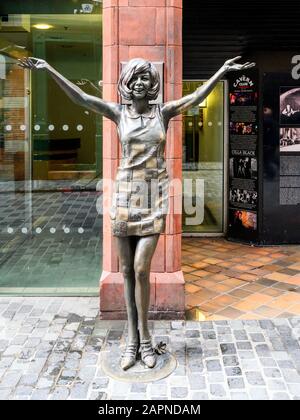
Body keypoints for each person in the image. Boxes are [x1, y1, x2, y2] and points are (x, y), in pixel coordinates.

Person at [18, 55, 255, 370]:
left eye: (145, 77)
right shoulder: (118, 114)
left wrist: (220, 71)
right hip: (125, 198)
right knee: (127, 271)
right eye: (135, 78)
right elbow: (82, 97)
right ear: (127, 84)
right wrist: (49, 69)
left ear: (151, 82)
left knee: (142, 269)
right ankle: (133, 341)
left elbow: (195, 97)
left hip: (153, 197)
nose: (140, 83)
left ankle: (145, 341)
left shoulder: (163, 113)